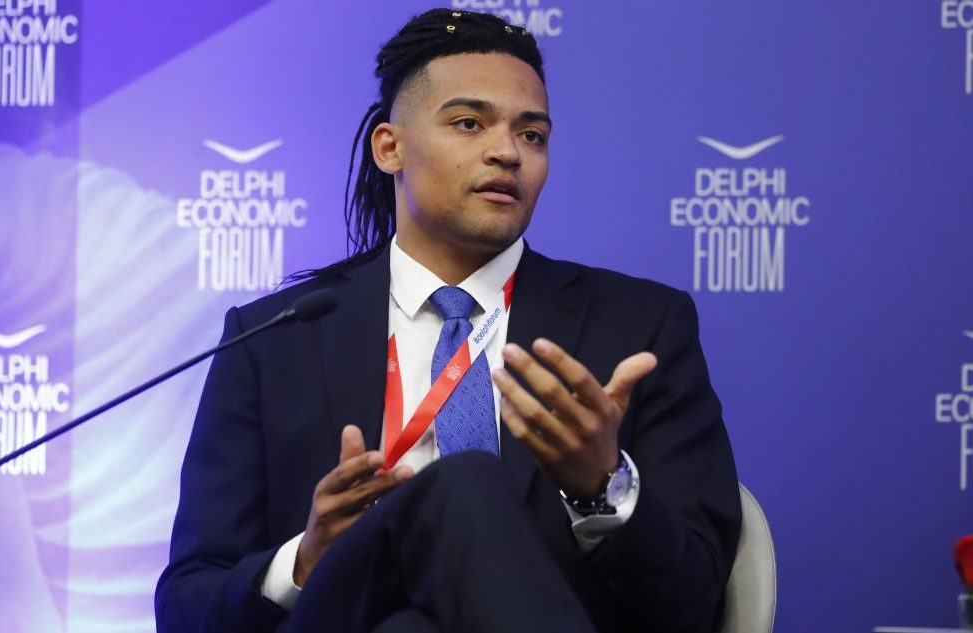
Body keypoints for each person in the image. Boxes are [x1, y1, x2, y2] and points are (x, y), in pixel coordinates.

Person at [155, 8, 741, 633]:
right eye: (469, 123)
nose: (506, 152)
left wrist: (602, 487)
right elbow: (187, 607)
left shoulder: (639, 328)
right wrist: (304, 561)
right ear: (391, 147)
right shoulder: (274, 340)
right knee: (460, 487)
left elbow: (697, 597)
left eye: (532, 135)